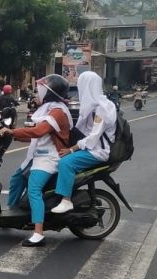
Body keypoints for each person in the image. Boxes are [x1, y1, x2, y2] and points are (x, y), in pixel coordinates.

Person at [0, 74, 72, 247]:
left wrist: (12, 132)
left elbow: (39, 132)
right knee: (16, 178)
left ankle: (38, 233)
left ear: (50, 93)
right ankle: (11, 216)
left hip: (50, 157)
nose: (37, 93)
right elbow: (34, 135)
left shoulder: (57, 112)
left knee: (34, 189)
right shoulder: (47, 109)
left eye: (41, 90)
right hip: (39, 154)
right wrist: (12, 134)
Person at [51, 71, 117, 214]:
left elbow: (93, 137)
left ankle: (66, 200)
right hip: (91, 148)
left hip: (97, 151)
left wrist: (72, 149)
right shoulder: (98, 104)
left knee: (66, 163)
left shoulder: (101, 109)